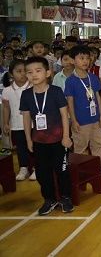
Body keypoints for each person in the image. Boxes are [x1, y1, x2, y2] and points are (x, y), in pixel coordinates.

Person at [20, 56, 73, 215]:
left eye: (38, 71)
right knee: (43, 173)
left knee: (62, 170)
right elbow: (26, 118)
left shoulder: (56, 91)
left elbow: (64, 115)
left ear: (48, 72)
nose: (33, 75)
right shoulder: (27, 95)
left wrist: (66, 136)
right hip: (39, 140)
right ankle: (49, 199)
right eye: (29, 72)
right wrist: (29, 139)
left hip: (58, 139)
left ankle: (65, 197)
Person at [64, 46, 101, 178]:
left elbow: (96, 97)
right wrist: (74, 120)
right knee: (80, 145)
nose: (85, 61)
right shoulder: (71, 81)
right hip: (80, 120)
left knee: (98, 143)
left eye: (87, 58)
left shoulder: (93, 78)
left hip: (94, 118)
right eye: (81, 58)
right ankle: (81, 168)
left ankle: (99, 165)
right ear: (73, 60)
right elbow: (70, 102)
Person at [2, 59, 32, 181]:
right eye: (19, 71)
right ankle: (23, 168)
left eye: (25, 71)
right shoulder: (7, 90)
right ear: (11, 74)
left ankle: (35, 168)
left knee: (34, 147)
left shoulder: (32, 87)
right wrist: (5, 123)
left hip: (33, 125)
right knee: (21, 148)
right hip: (16, 125)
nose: (23, 74)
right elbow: (6, 108)